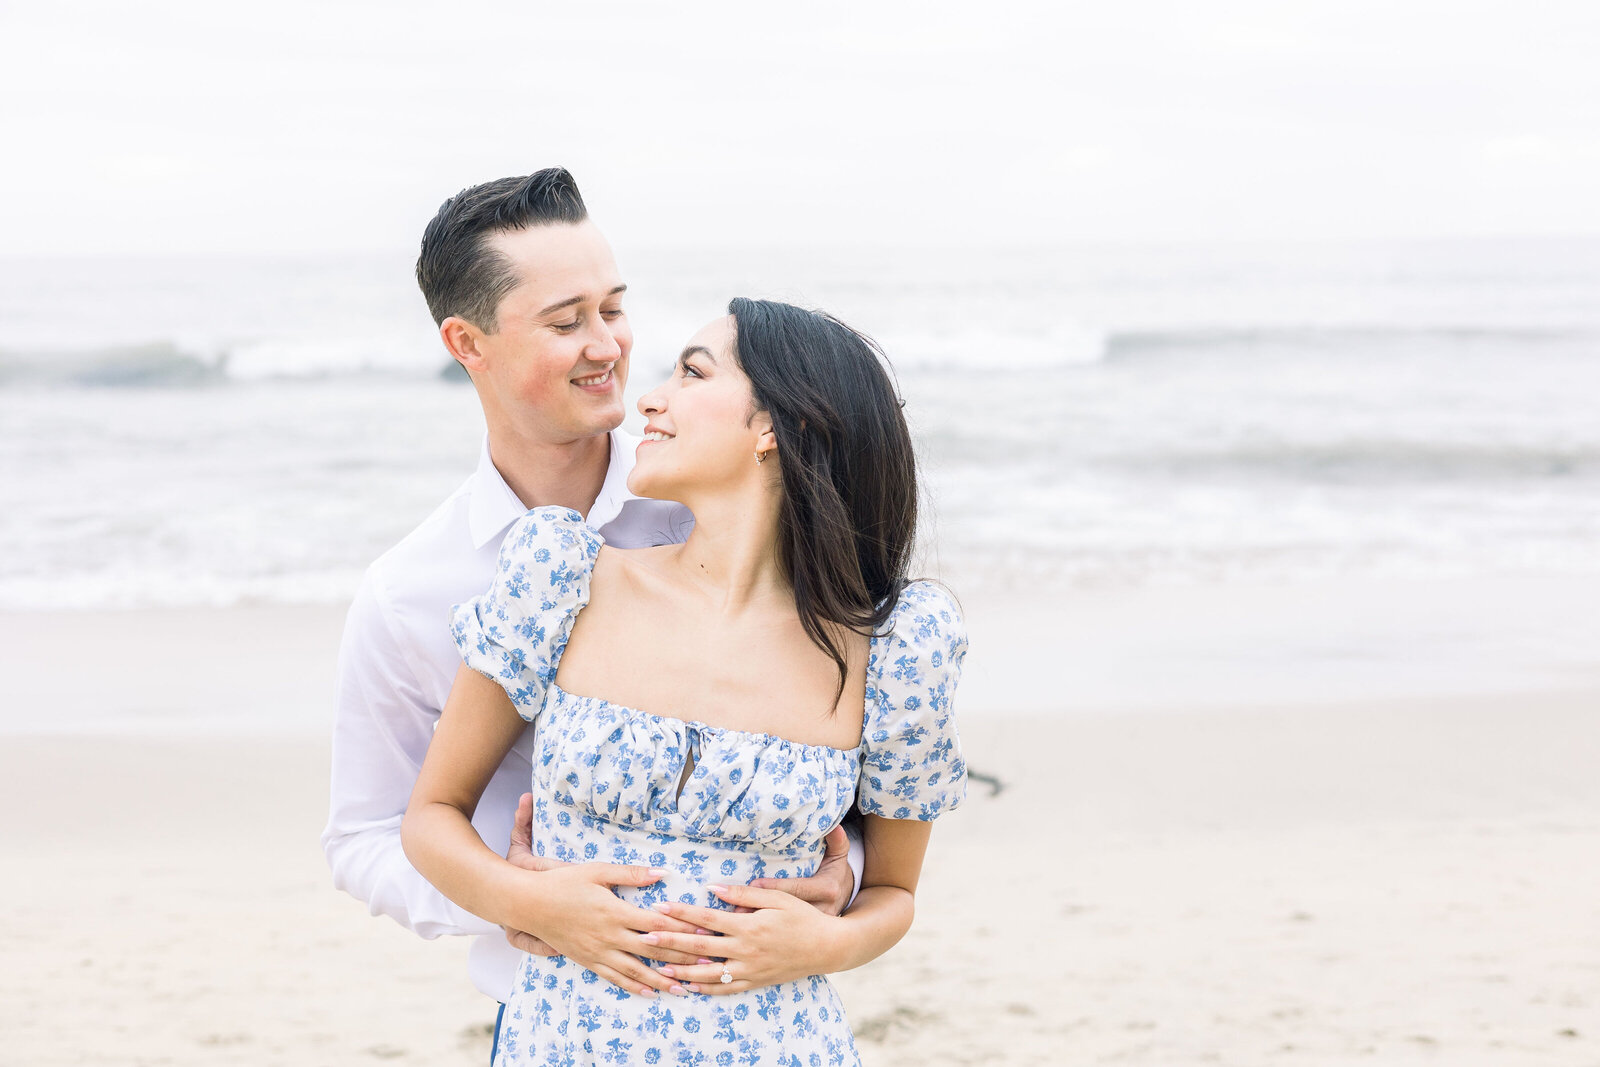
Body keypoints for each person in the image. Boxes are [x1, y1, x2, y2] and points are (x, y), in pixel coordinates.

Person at [320, 170, 859, 1040]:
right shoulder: (410, 592)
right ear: (469, 342)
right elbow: (365, 834)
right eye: (567, 322)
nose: (608, 344)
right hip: (550, 1013)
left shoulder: (715, 504)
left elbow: (846, 751)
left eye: (613, 308)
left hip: (750, 1018)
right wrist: (518, 901)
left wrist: (843, 879)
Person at [402, 298, 968, 1065]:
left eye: (693, 373)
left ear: (781, 428)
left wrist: (826, 942)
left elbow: (894, 896)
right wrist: (526, 899)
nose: (649, 398)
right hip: (561, 1043)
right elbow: (432, 815)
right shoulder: (562, 577)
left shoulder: (894, 650)